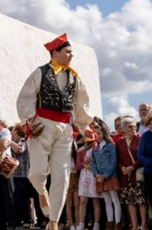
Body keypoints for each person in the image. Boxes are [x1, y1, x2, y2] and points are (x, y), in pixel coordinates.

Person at [16, 33, 94, 230]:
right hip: (42, 125)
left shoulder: (74, 77)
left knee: (62, 175)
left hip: (65, 128)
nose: (71, 55)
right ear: (55, 53)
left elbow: (81, 105)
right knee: (37, 172)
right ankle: (42, 192)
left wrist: (85, 128)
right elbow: (25, 99)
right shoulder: (40, 73)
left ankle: (54, 220)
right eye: (68, 52)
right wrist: (29, 124)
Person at [115, 118, 147, 230]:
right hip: (125, 176)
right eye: (130, 126)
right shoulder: (120, 141)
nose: (133, 128)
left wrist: (132, 167)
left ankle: (143, 224)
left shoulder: (140, 139)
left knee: (141, 200)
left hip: (136, 174)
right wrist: (122, 168)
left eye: (134, 126)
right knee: (130, 201)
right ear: (123, 128)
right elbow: (117, 158)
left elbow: (142, 155)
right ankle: (134, 225)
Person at [90, 120, 119, 230]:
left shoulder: (110, 145)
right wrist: (96, 174)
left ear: (104, 133)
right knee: (107, 201)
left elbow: (113, 162)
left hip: (110, 176)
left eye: (99, 133)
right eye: (95, 134)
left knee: (115, 200)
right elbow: (94, 163)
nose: (97, 136)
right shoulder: (95, 147)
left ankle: (117, 223)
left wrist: (105, 175)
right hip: (100, 177)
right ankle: (110, 223)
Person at [76, 138, 101, 230]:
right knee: (82, 200)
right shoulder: (81, 149)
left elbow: (101, 163)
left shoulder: (97, 148)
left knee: (95, 201)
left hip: (94, 175)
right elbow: (77, 165)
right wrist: (84, 163)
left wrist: (92, 162)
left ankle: (96, 225)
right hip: (84, 175)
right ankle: (81, 224)